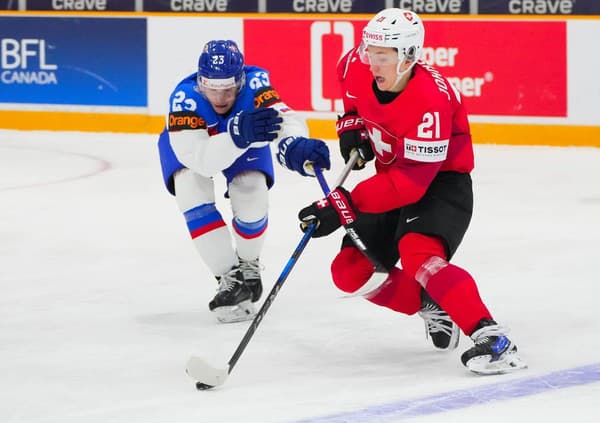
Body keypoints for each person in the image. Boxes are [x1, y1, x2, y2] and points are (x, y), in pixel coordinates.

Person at [296, 9, 527, 374]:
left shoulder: (430, 102)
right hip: (390, 178)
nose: (372, 63)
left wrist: (344, 205)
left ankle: (493, 338)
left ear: (408, 56)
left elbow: (410, 184)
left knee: (419, 257)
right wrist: (351, 127)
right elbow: (353, 99)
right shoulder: (353, 64)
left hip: (438, 183)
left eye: (382, 56)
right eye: (369, 52)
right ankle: (433, 305)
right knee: (350, 270)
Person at [158, 40, 330, 323]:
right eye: (212, 87)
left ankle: (248, 263)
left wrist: (294, 143)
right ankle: (230, 278)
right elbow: (202, 161)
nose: (221, 96)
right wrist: (238, 135)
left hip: (243, 138)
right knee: (191, 191)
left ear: (240, 80)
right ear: (200, 81)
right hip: (195, 147)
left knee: (251, 192)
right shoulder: (184, 100)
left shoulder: (256, 84)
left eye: (228, 87)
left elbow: (283, 118)